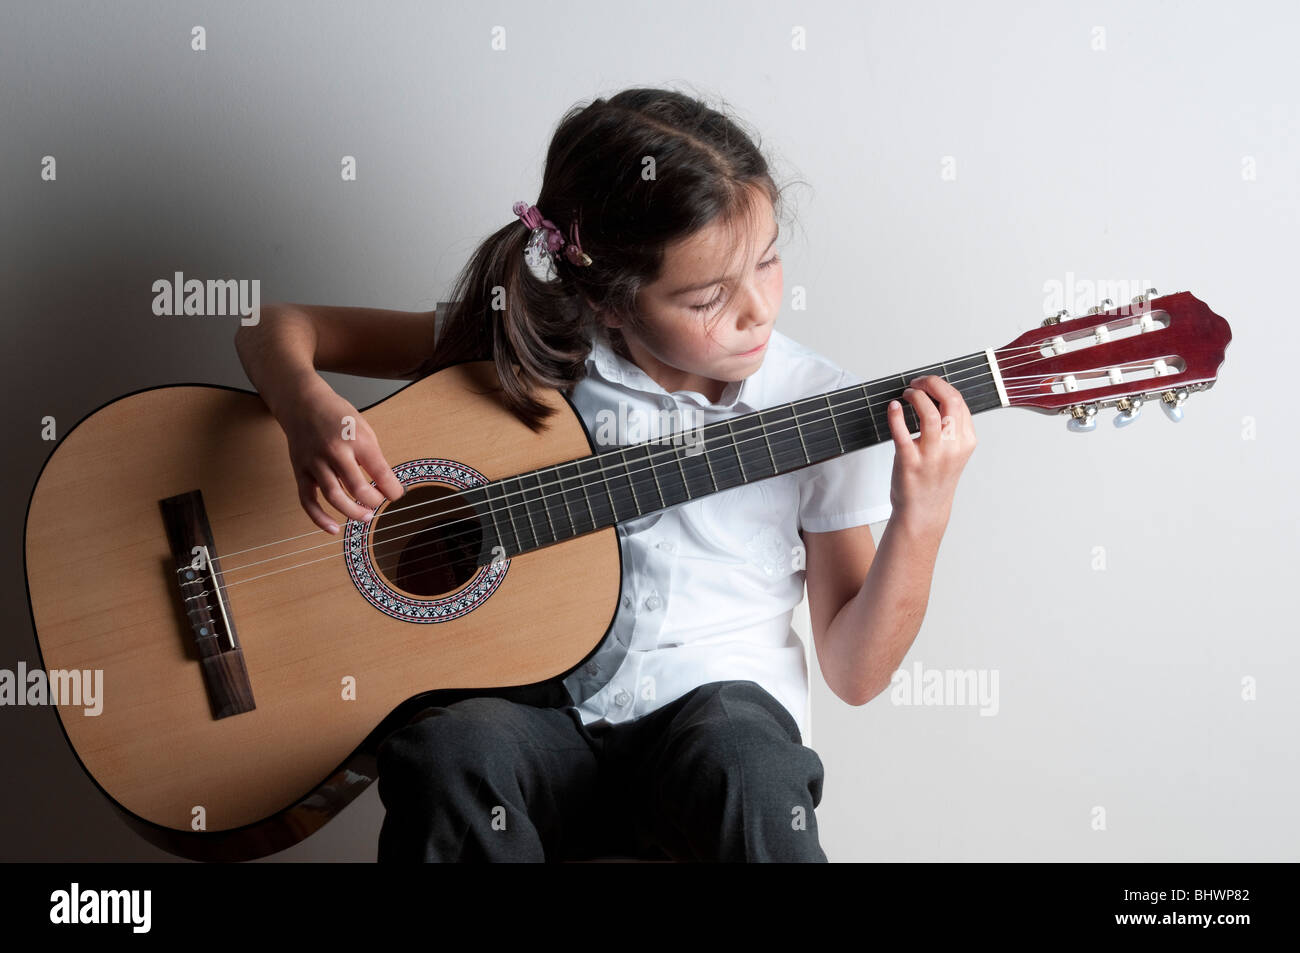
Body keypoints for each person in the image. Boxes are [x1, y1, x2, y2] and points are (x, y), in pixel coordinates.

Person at [234, 86, 977, 862]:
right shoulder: (537, 350)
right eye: (709, 296)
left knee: (748, 760)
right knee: (448, 751)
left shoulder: (817, 408)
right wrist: (309, 410)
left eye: (767, 261)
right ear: (610, 302)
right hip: (543, 731)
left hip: (711, 746)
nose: (758, 309)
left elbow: (854, 671)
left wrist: (921, 518)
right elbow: (272, 326)